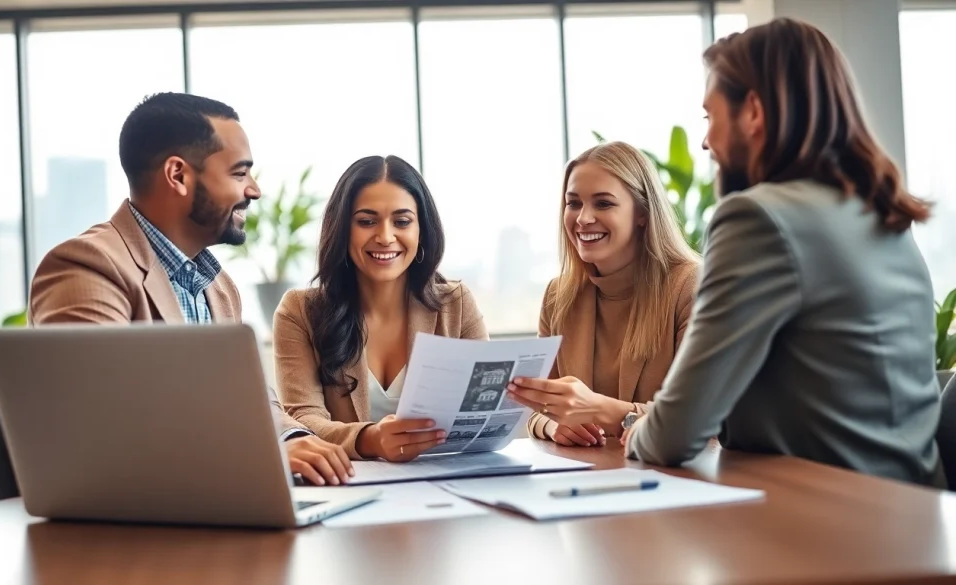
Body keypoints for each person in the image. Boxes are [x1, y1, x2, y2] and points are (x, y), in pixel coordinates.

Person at [617, 18, 943, 487]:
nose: (706, 141)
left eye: (710, 117)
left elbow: (675, 433)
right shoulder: (879, 209)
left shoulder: (758, 218)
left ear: (752, 112)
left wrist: (634, 430)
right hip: (912, 510)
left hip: (832, 522)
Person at [28, 92, 353, 487]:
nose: (254, 190)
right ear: (178, 175)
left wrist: (295, 440)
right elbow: (99, 425)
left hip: (212, 507)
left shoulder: (217, 286)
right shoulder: (88, 266)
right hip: (125, 530)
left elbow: (251, 398)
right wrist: (261, 455)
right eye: (239, 173)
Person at [274, 155, 487, 462]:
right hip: (351, 487)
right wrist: (370, 439)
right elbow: (303, 421)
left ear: (421, 231)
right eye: (366, 221)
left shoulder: (456, 303)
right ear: (343, 229)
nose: (385, 237)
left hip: (448, 482)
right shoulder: (300, 311)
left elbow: (483, 410)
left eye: (402, 222)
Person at [506, 141, 700, 447]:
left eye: (603, 203)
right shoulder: (559, 296)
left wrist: (600, 409)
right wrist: (553, 426)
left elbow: (701, 415)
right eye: (573, 203)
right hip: (588, 477)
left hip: (675, 477)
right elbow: (539, 408)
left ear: (643, 213)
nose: (583, 218)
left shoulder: (690, 286)